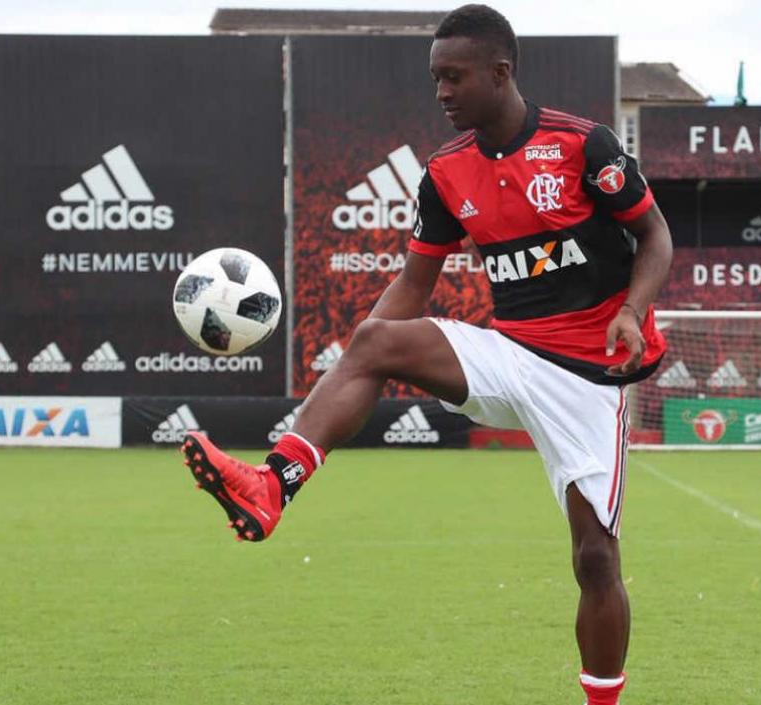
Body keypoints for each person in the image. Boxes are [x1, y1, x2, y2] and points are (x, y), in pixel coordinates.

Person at [180, 5, 672, 703]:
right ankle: (272, 484)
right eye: (435, 78)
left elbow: (656, 237)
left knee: (595, 559)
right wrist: (350, 365)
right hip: (507, 354)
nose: (440, 91)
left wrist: (630, 309)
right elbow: (415, 284)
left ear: (500, 74)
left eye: (453, 77)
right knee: (377, 339)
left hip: (590, 374)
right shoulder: (444, 173)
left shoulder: (582, 146)